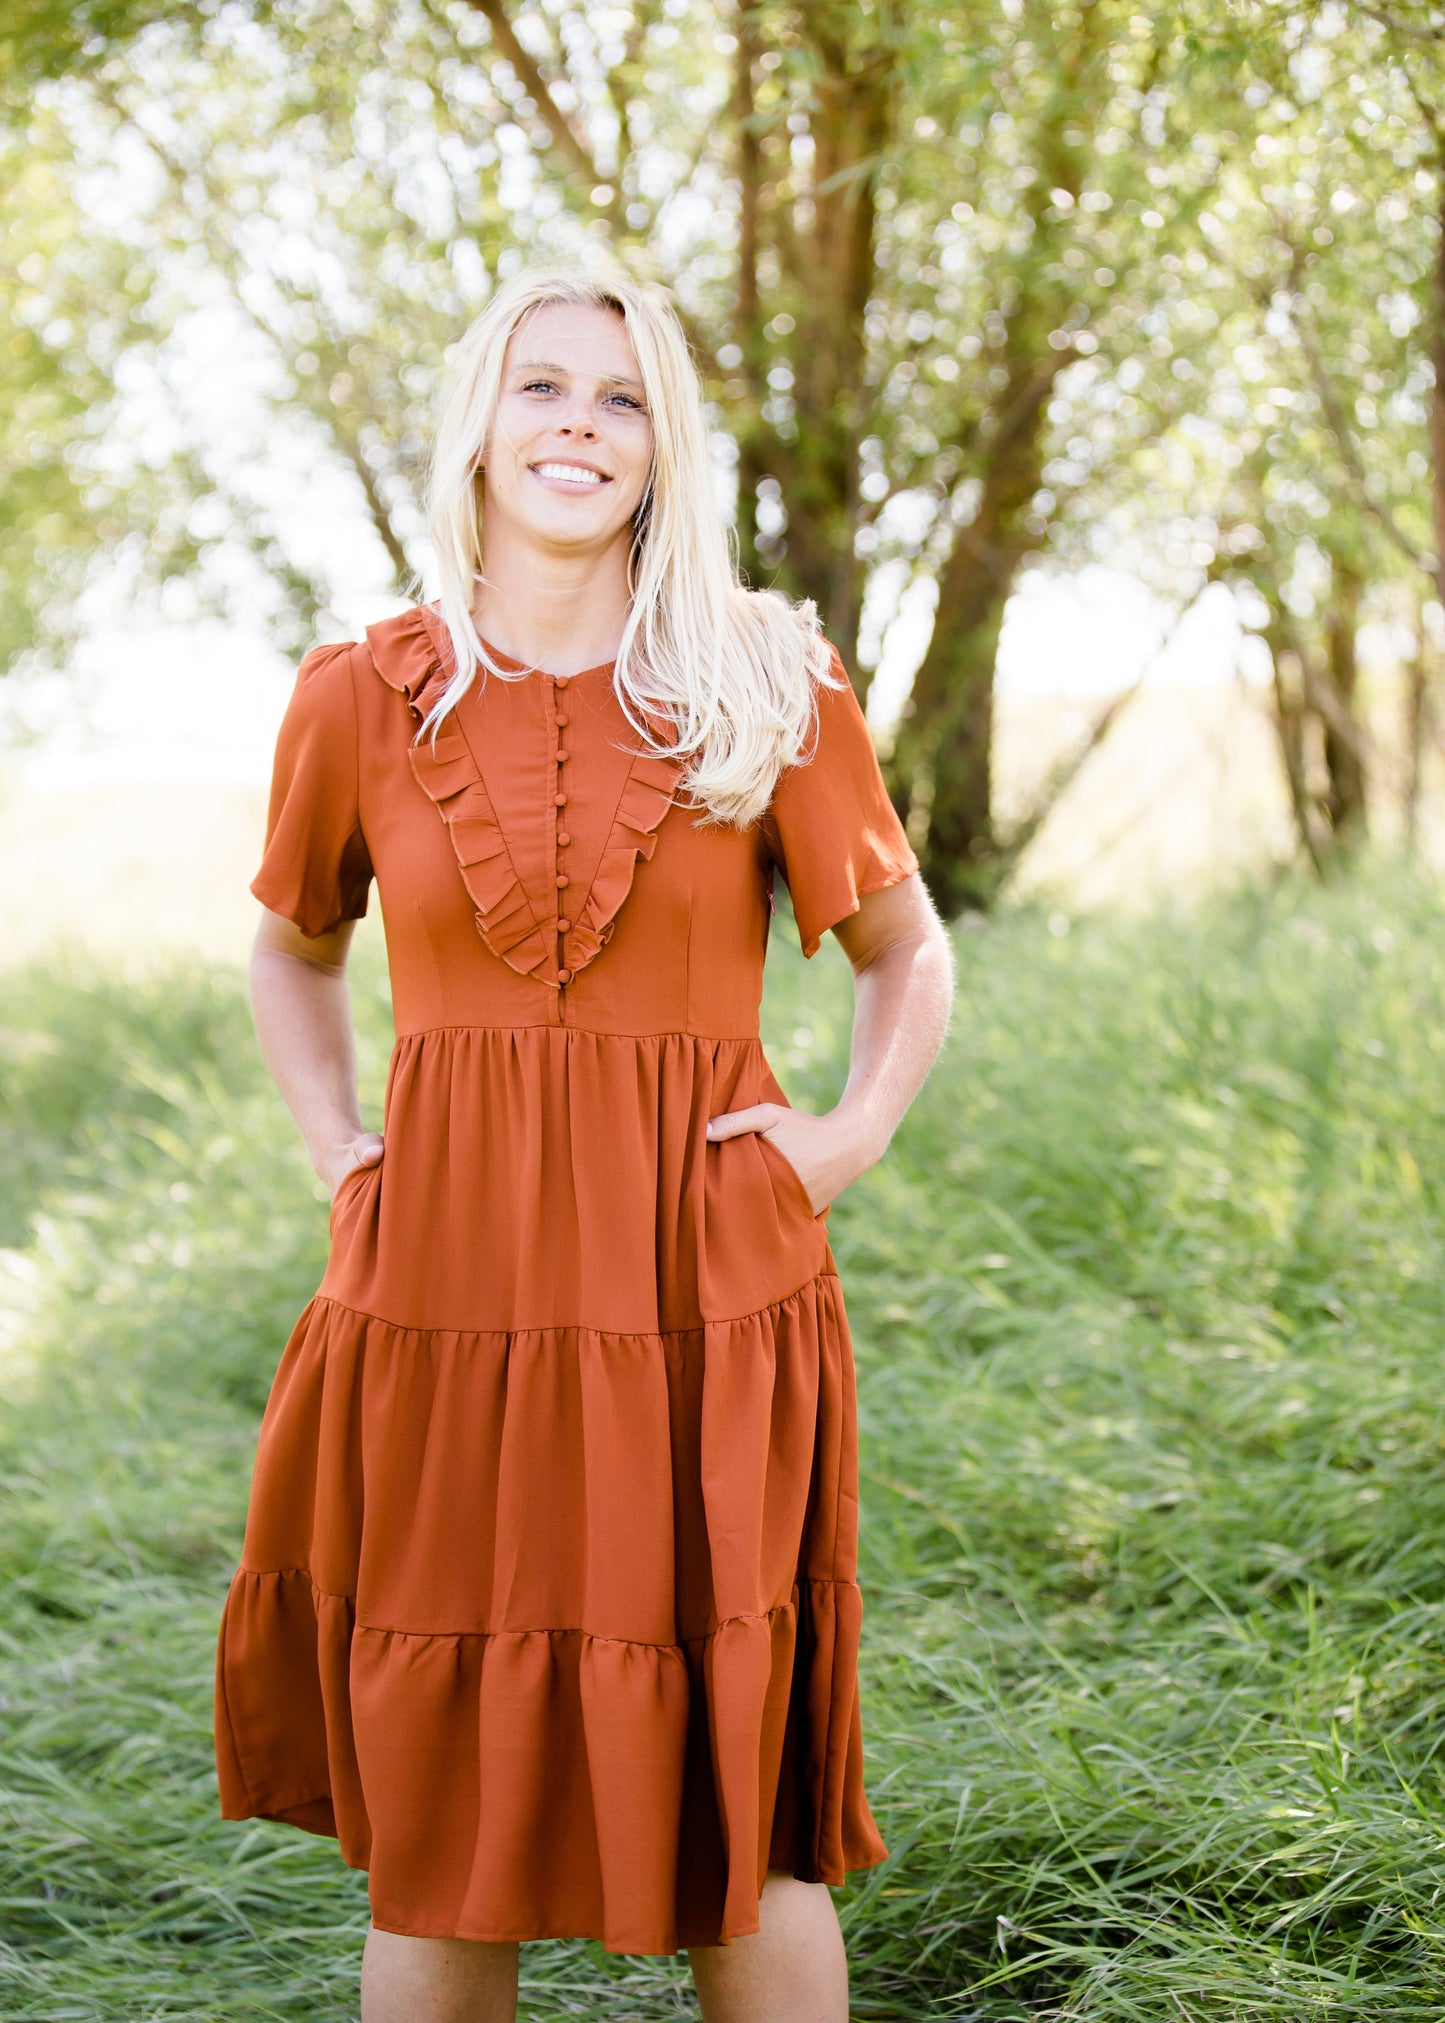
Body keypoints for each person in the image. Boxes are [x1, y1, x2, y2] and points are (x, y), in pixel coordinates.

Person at [213, 259, 955, 2023]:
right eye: (542, 388)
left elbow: (906, 950)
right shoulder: (356, 694)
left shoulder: (765, 681)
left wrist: (841, 1139)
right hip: (445, 1302)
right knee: (444, 1800)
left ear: (663, 446)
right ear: (476, 423)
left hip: (705, 1291)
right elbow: (289, 944)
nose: (579, 426)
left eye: (621, 400)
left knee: (741, 1808)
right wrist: (340, 1153)